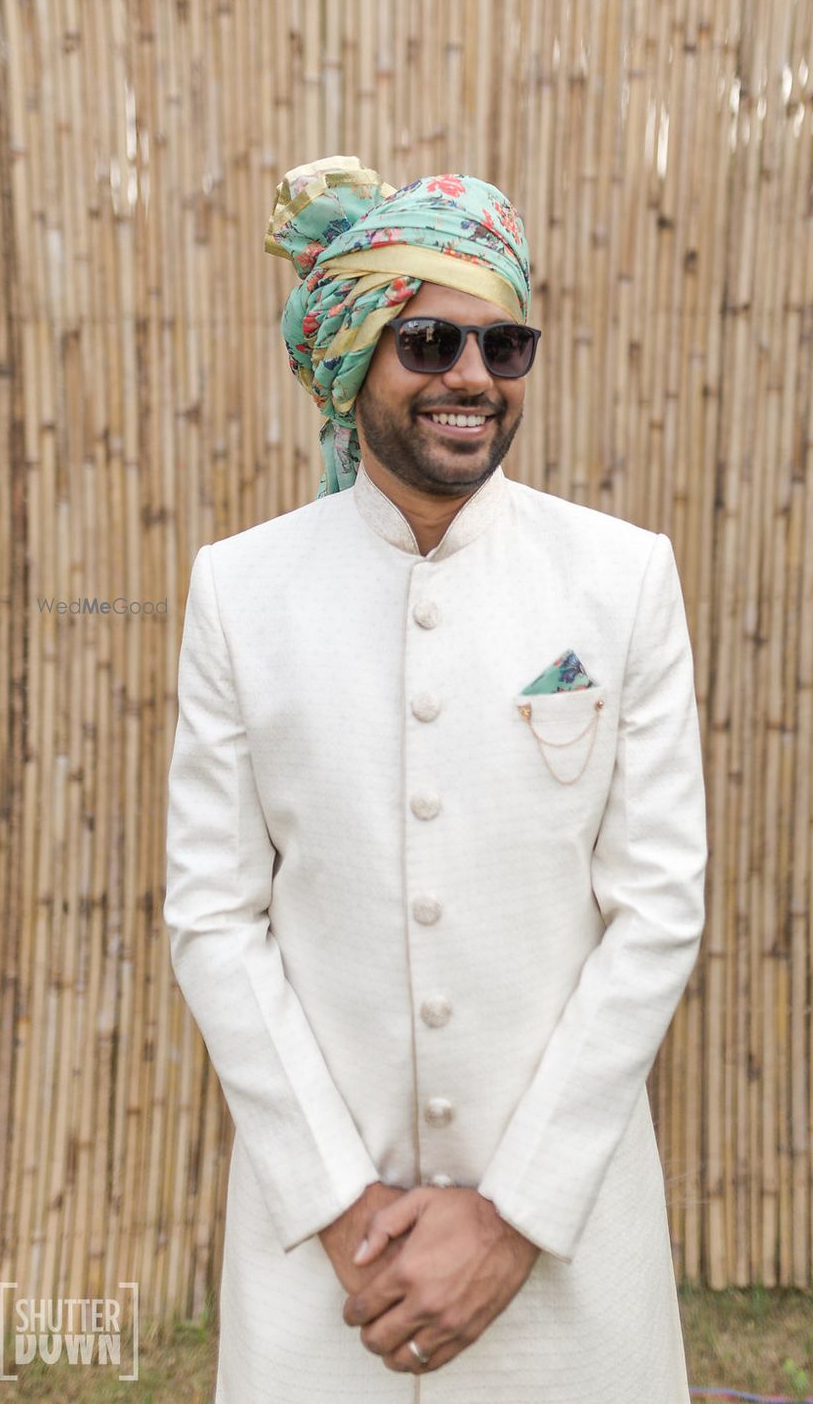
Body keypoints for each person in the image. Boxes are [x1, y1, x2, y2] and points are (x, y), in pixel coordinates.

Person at [164, 155, 708, 1402]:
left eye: (502, 345)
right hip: (328, 1266)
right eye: (429, 339)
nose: (470, 375)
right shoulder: (240, 593)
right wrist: (345, 1205)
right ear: (353, 357)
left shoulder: (620, 581)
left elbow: (656, 909)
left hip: (564, 1248)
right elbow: (212, 913)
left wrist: (511, 1219)